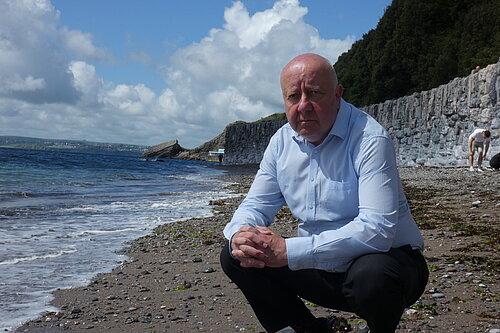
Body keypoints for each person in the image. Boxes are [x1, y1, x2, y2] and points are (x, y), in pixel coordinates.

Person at [220, 53, 428, 333]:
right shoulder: (281, 142)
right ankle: (306, 329)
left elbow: (378, 231)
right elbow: (256, 204)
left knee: (373, 276)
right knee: (237, 256)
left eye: (315, 93)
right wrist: (239, 234)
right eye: (294, 96)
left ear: (338, 94)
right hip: (319, 267)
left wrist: (288, 250)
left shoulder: (369, 138)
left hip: (389, 265)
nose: (304, 106)